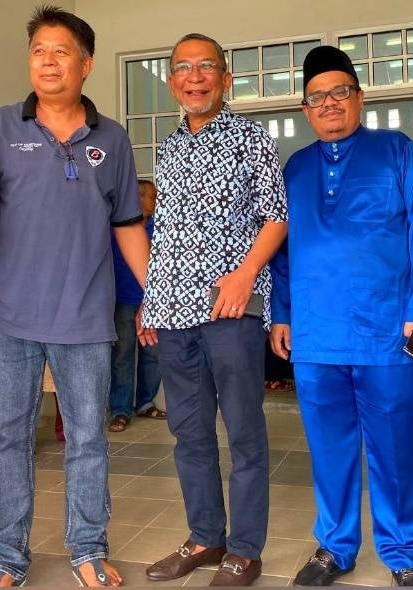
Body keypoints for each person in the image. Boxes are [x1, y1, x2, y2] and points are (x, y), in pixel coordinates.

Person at [0, 5, 151, 588]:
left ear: (86, 64)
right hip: (4, 315)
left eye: (61, 51)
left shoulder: (113, 139)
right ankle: (6, 557)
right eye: (38, 51)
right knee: (7, 438)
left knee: (88, 438)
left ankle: (87, 549)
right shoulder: (0, 126)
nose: (48, 62)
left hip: (85, 315)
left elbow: (127, 223)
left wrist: (155, 296)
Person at [270, 46, 413, 588]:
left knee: (394, 448)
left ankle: (404, 553)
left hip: (387, 331)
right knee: (329, 448)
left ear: (359, 97)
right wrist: (282, 314)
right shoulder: (295, 168)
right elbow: (281, 250)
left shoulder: (397, 151)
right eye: (316, 97)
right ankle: (335, 546)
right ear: (305, 109)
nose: (329, 103)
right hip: (315, 334)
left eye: (339, 92)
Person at [141, 33, 288, 587]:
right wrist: (152, 299)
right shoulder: (169, 148)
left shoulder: (253, 139)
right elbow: (166, 232)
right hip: (172, 313)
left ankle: (245, 550)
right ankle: (205, 537)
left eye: (206, 67)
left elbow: (276, 216)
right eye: (183, 68)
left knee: (244, 432)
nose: (195, 77)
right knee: (190, 433)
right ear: (173, 81)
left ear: (225, 79)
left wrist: (245, 274)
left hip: (230, 311)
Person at [108, 179, 165, 432]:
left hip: (152, 300)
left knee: (152, 353)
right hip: (123, 298)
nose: (156, 201)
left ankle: (145, 402)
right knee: (123, 353)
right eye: (152, 196)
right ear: (139, 197)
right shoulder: (118, 228)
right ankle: (120, 409)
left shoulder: (159, 228)